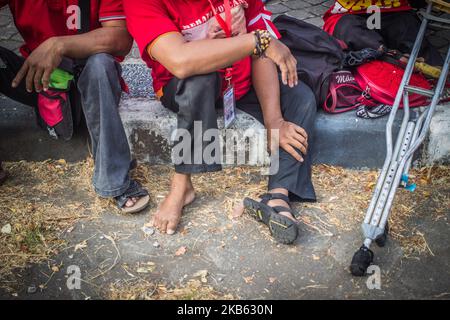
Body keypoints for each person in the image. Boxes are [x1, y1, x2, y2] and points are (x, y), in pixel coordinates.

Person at [125, 0, 317, 244]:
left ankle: (278, 194)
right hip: (184, 86)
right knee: (199, 80)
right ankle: (182, 185)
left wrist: (274, 120)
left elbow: (263, 54)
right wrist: (255, 40)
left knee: (300, 97)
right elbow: (180, 62)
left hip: (239, 81)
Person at [0, 0, 150, 213]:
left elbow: (121, 37)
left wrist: (58, 45)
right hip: (37, 78)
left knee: (101, 64)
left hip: (87, 82)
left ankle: (115, 182)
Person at [322, 0, 444, 66]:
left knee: (411, 36)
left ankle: (429, 73)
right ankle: (393, 59)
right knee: (353, 33)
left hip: (394, 10)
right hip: (350, 12)